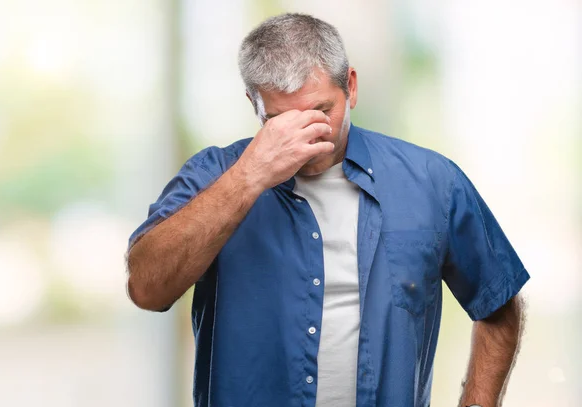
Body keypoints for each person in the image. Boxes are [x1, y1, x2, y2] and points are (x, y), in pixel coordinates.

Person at [126, 13, 529, 407]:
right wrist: (250, 176)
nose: (308, 136)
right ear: (254, 104)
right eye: (281, 121)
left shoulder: (432, 180)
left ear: (350, 87)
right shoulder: (212, 175)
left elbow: (498, 303)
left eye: (321, 111)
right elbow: (146, 288)